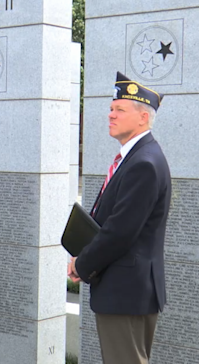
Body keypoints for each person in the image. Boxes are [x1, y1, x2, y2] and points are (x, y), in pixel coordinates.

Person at [68, 72, 171, 364]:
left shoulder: (144, 163)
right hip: (125, 289)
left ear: (143, 118)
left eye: (120, 110)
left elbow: (119, 232)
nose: (110, 115)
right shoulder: (135, 157)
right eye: (111, 109)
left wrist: (82, 263)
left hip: (127, 292)